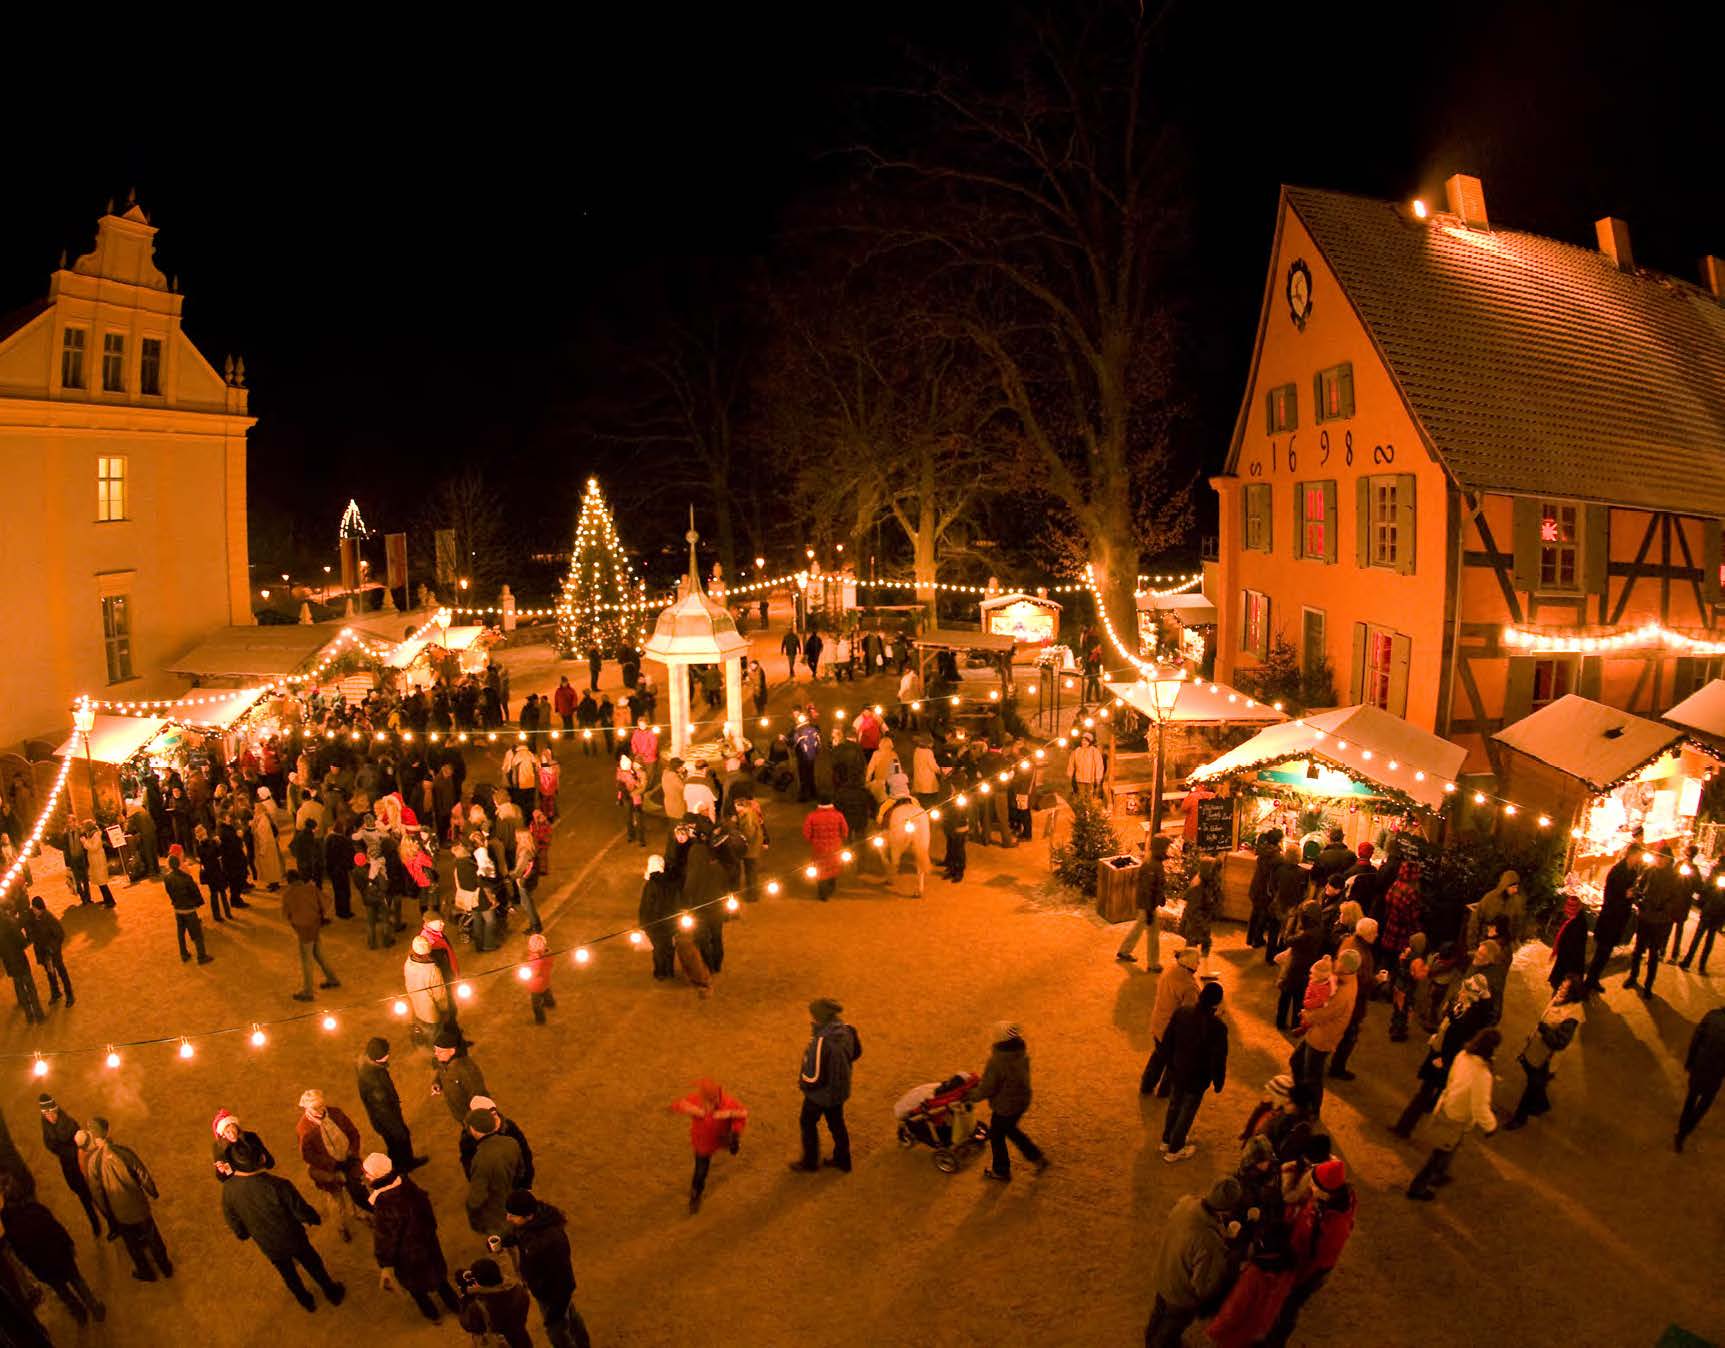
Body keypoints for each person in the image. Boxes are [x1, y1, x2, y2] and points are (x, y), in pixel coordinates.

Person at [222, 1154, 346, 1311]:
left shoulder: (229, 1189)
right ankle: (331, 1292)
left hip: (268, 1243)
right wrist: (313, 1218)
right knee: (312, 1263)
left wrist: (243, 1233)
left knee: (288, 1273)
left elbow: (233, 1220)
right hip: (293, 1237)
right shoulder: (277, 1185)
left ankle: (305, 1301)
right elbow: (299, 1210)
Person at [1260, 1158, 1356, 1347]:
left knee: (1288, 1308)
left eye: (1314, 1183)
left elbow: (1316, 1261)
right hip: (1299, 1258)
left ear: (1327, 1191)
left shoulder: (1334, 1227)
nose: (1310, 1186)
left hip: (1306, 1271)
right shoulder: (1330, 1201)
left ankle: (1274, 1342)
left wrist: (1294, 1278)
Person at [1391, 971, 1496, 1138]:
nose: (1460, 992)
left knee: (1425, 1092)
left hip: (1444, 1058)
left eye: (1465, 990)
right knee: (1430, 1092)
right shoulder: (1466, 1005)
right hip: (1442, 1052)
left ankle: (1404, 1127)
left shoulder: (1473, 1015)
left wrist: (1445, 1059)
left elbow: (1458, 1038)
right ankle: (1411, 1123)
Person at [1144, 1177, 1243, 1348]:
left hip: (1164, 1272)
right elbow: (1203, 1286)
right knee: (1170, 1328)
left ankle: (1150, 1340)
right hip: (1180, 1294)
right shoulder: (1208, 1240)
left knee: (1158, 1313)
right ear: (1227, 1209)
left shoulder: (1186, 1203)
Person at [1406, 1026, 1501, 1200]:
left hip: (1448, 1105)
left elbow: (1451, 1079)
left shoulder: (1463, 1055)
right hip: (1458, 1116)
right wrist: (1490, 1126)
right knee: (1440, 1152)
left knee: (1449, 1146)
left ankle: (1440, 1173)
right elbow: (1479, 1105)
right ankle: (1417, 1188)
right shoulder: (1482, 1074)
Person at [362, 1152, 458, 1323]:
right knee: (440, 1279)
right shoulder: (407, 1184)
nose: (366, 1177)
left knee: (417, 1290)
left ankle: (432, 1315)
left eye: (367, 1173)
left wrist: (385, 1263)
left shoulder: (383, 1205)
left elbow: (385, 1239)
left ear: (376, 1176)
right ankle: (455, 1305)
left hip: (408, 1257)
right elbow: (427, 1210)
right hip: (428, 1243)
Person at [79, 1117, 173, 1281]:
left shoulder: (94, 1162)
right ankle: (165, 1267)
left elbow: (97, 1193)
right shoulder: (124, 1152)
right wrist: (153, 1192)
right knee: (153, 1238)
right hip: (139, 1206)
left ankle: (146, 1272)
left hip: (119, 1212)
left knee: (133, 1245)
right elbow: (142, 1173)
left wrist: (107, 1213)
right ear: (107, 1132)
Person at [0, 1178, 105, 1325]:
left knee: (62, 1290)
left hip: (42, 1266)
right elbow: (56, 1228)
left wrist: (31, 1266)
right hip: (60, 1256)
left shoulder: (8, 1222)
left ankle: (79, 1314)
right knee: (76, 1280)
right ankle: (95, 1309)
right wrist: (68, 1244)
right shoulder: (35, 1209)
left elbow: (18, 1249)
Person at [500, 1189, 592, 1348]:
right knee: (570, 1314)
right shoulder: (533, 1221)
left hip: (552, 1293)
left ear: (528, 1216)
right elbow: (519, 1233)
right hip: (546, 1288)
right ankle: (583, 1343)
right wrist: (503, 1241)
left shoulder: (548, 1243)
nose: (507, 1218)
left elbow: (562, 1277)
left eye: (512, 1215)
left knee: (556, 1330)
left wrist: (555, 1309)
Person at [1150, 981, 1229, 1162]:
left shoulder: (1182, 1012)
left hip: (1177, 1069)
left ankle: (1166, 1139)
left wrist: (1169, 1062)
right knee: (1187, 1110)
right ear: (1216, 1003)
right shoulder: (1218, 1027)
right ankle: (1175, 1149)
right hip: (1198, 1077)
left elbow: (1168, 1039)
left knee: (1174, 1104)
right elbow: (1218, 1058)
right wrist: (1218, 1082)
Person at [966, 1022, 1047, 1182]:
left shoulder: (997, 1062)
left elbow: (987, 1088)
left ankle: (1001, 1170)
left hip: (1005, 1106)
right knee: (1011, 1130)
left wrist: (971, 1095)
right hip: (1021, 1101)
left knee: (997, 1135)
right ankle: (1037, 1157)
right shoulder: (1021, 1054)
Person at [1504, 976, 1586, 1130]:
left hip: (1545, 1059)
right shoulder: (1558, 999)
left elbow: (1560, 1042)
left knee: (1531, 1087)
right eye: (1561, 986)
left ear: (1573, 994)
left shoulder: (1571, 1016)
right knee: (1535, 1082)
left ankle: (1520, 1118)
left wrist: (1545, 1030)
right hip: (1536, 1050)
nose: (1560, 990)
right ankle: (1542, 1104)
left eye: (1565, 989)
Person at [790, 997, 860, 1174]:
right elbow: (857, 1052)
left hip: (821, 1094)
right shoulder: (847, 1029)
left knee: (807, 1122)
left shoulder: (822, 1041)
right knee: (837, 1123)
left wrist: (804, 1084)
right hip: (840, 1089)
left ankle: (810, 1162)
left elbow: (815, 1076)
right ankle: (843, 1159)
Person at [295, 1088, 369, 1241]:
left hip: (348, 1161)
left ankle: (360, 1214)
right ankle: (341, 1226)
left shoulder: (335, 1113)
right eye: (316, 1107)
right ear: (307, 1108)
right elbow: (308, 1156)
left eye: (322, 1105)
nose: (321, 1109)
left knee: (356, 1190)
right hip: (329, 1170)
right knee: (337, 1202)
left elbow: (353, 1132)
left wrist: (352, 1151)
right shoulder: (304, 1129)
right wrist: (331, 1165)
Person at [1291, 947, 1357, 1113]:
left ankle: (1311, 1109)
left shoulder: (1344, 991)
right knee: (1298, 1063)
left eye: (1339, 960)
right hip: (1318, 1033)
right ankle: (1301, 1098)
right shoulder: (1344, 980)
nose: (1336, 961)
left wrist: (1306, 1014)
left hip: (1322, 1038)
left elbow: (1325, 1013)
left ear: (1346, 966)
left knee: (1312, 1076)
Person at [669, 1078, 748, 1213]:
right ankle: (696, 1195)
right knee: (700, 1172)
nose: (711, 1104)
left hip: (722, 1138)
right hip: (703, 1143)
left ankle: (733, 1143)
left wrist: (735, 1131)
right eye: (708, 1100)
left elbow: (740, 1116)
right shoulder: (695, 1101)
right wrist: (683, 1108)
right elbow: (679, 1105)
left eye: (714, 1099)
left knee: (731, 1143)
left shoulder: (729, 1104)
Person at [1627, 843, 1688, 1001]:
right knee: (1638, 949)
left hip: (1660, 922)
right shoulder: (1649, 871)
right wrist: (1639, 900)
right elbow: (1638, 888)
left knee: (1653, 954)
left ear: (1668, 860)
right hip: (1645, 917)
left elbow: (1677, 900)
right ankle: (1633, 977)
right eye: (1657, 856)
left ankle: (1648, 986)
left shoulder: (1675, 877)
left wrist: (1663, 908)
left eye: (1662, 857)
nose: (1659, 860)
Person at [358, 1038, 427, 1175]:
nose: (389, 1054)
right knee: (399, 1141)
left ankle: (404, 1164)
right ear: (378, 1057)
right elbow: (383, 1110)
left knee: (395, 1142)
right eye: (386, 1053)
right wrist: (399, 1129)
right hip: (387, 1119)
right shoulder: (375, 1084)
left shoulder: (368, 1065)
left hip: (382, 1118)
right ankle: (402, 1168)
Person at [1140, 946, 1200, 1095]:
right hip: (1172, 1032)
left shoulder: (1170, 970)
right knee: (1173, 1064)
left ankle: (1146, 1085)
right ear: (1191, 964)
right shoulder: (1189, 986)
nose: (1199, 964)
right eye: (1197, 962)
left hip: (1159, 1023)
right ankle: (1164, 1091)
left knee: (1158, 1057)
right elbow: (1189, 1013)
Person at [36, 1095, 99, 1237]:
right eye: (46, 1114)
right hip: (70, 1169)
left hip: (81, 1163)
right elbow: (50, 1145)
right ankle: (94, 1222)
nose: (50, 1117)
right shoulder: (46, 1128)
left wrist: (69, 1151)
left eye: (52, 1112)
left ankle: (111, 1220)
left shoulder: (69, 1123)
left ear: (56, 1110)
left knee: (95, 1192)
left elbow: (80, 1143)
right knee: (84, 1197)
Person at [1583, 841, 1639, 994]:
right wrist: (1625, 895)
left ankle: (1593, 980)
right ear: (1631, 855)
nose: (1639, 859)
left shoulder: (1633, 872)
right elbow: (1609, 896)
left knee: (1606, 953)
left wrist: (1632, 895)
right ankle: (1588, 982)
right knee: (1602, 951)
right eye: (1638, 856)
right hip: (1610, 918)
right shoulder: (1617, 871)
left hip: (1620, 918)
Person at [1327, 917, 1378, 1080]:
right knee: (1348, 1036)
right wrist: (1377, 980)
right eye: (1375, 932)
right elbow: (1361, 981)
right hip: (1353, 1002)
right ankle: (1337, 1067)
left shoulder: (1349, 941)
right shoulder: (1359, 952)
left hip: (1344, 995)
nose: (1377, 935)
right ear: (1367, 934)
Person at [464, 1110, 524, 1238]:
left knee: (506, 1242)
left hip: (495, 1214)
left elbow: (476, 1199)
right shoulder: (511, 1142)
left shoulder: (480, 1159)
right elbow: (520, 1172)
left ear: (474, 1130)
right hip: (513, 1202)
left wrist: (472, 1214)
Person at [282, 867, 338, 1003]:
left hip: (303, 929)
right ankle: (332, 978)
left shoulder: (288, 894)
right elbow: (327, 901)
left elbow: (286, 914)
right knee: (318, 953)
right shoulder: (310, 888)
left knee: (306, 959)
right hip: (314, 925)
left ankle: (308, 991)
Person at [1676, 1005, 1725, 1153]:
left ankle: (1681, 1132)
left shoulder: (1712, 1015)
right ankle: (1686, 1130)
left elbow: (1696, 1040)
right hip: (1716, 1073)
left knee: (1690, 1099)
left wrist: (1690, 1061)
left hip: (1699, 1065)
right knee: (1703, 1105)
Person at [457, 1257, 534, 1348]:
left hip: (499, 1343)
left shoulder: (478, 1306)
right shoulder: (518, 1289)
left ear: (479, 1281)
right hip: (521, 1337)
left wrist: (465, 1298)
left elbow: (467, 1324)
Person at [163, 852, 214, 966]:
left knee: (180, 934)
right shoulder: (186, 878)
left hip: (177, 909)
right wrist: (197, 903)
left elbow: (169, 892)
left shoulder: (167, 878)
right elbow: (195, 892)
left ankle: (184, 954)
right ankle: (201, 956)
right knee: (197, 934)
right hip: (189, 910)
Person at [432, 1028, 489, 1126]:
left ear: (452, 1051)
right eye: (435, 1050)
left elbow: (478, 1095)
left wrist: (475, 1120)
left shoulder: (466, 1071)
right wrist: (437, 1083)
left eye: (440, 1051)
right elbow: (441, 1072)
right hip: (460, 1114)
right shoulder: (444, 1060)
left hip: (471, 1118)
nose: (436, 1054)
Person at [801, 794, 850, 901]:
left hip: (818, 848)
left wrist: (812, 840)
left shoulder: (812, 816)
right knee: (833, 867)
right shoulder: (838, 815)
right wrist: (841, 839)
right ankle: (831, 886)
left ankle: (822, 892)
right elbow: (845, 831)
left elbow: (806, 833)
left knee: (820, 868)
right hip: (835, 847)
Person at [1178, 857, 1222, 971]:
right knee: (1192, 949)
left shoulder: (1206, 881)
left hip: (1201, 921)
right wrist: (1203, 925)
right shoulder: (1197, 886)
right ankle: (1187, 970)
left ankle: (1203, 970)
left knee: (1202, 945)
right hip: (1195, 924)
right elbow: (1193, 911)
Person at [1680, 864, 1725, 973]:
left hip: (1717, 912)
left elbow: (1706, 888)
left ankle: (1699, 965)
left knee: (1707, 939)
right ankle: (1689, 961)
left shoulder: (1717, 869)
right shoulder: (1716, 869)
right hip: (1710, 910)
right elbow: (1706, 888)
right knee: (1700, 937)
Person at [25, 898, 69, 1009]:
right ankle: (55, 992)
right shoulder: (33, 917)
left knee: (61, 972)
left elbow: (60, 935)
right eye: (33, 908)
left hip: (53, 952)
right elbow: (30, 931)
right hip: (43, 952)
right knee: (50, 973)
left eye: (35, 909)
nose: (34, 910)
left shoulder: (49, 918)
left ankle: (69, 995)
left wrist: (52, 948)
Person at [79, 823, 116, 907]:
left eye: (84, 827)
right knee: (100, 882)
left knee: (102, 882)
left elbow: (94, 848)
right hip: (95, 861)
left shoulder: (96, 835)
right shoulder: (91, 835)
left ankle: (110, 901)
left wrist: (85, 842)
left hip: (98, 860)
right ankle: (106, 900)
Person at [617, 754, 646, 846]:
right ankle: (639, 839)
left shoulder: (621, 772)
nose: (635, 765)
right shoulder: (631, 773)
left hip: (628, 797)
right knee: (636, 818)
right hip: (634, 798)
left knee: (631, 817)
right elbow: (641, 786)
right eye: (634, 764)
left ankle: (632, 836)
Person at [1068, 732, 1105, 800]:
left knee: (1089, 797)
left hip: (1090, 779)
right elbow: (1071, 764)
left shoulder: (1094, 751)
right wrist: (1069, 775)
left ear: (1090, 742)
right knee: (1081, 796)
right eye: (1083, 740)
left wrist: (1098, 777)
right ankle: (1082, 809)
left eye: (1086, 741)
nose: (1084, 742)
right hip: (1080, 779)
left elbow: (1099, 765)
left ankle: (1090, 809)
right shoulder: (1077, 751)